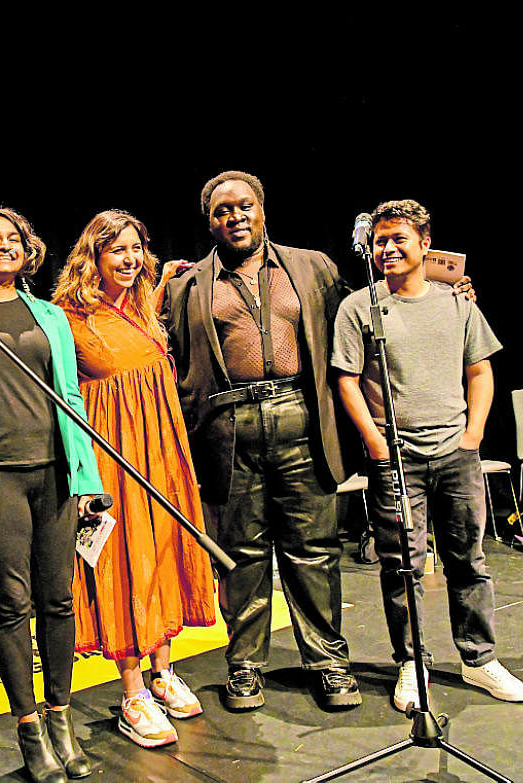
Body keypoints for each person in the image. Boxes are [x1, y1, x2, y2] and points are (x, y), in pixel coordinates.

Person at [162, 170, 363, 711]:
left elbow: (359, 320)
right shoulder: (186, 285)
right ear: (210, 222)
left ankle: (329, 663)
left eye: (244, 206)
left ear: (262, 209)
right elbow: (161, 348)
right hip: (229, 428)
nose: (236, 217)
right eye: (222, 210)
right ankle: (245, 666)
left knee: (313, 551)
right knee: (241, 556)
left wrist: (441, 288)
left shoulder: (312, 266)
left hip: (302, 416)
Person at [331, 199, 523, 712]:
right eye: (380, 240)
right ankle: (411, 662)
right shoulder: (359, 307)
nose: (388, 248)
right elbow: (346, 381)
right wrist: (376, 445)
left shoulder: (458, 303)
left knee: (470, 558)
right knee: (403, 566)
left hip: (456, 456)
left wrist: (473, 435)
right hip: (396, 458)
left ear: (425, 244)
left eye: (399, 238)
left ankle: (479, 659)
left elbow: (480, 370)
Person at [0, 207, 102, 783]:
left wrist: (87, 477)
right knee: (12, 605)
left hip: (56, 474)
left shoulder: (50, 317)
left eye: (13, 239)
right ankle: (30, 729)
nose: (4, 247)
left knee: (59, 599)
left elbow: (70, 397)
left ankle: (61, 718)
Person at [51, 210, 215, 748]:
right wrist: (81, 477)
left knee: (164, 554)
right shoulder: (67, 318)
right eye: (117, 249)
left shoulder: (145, 307)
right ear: (92, 257)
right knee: (123, 565)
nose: (129, 258)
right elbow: (61, 402)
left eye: (136, 248)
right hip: (111, 462)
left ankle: (164, 672)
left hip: (162, 456)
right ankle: (132, 693)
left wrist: (162, 280)